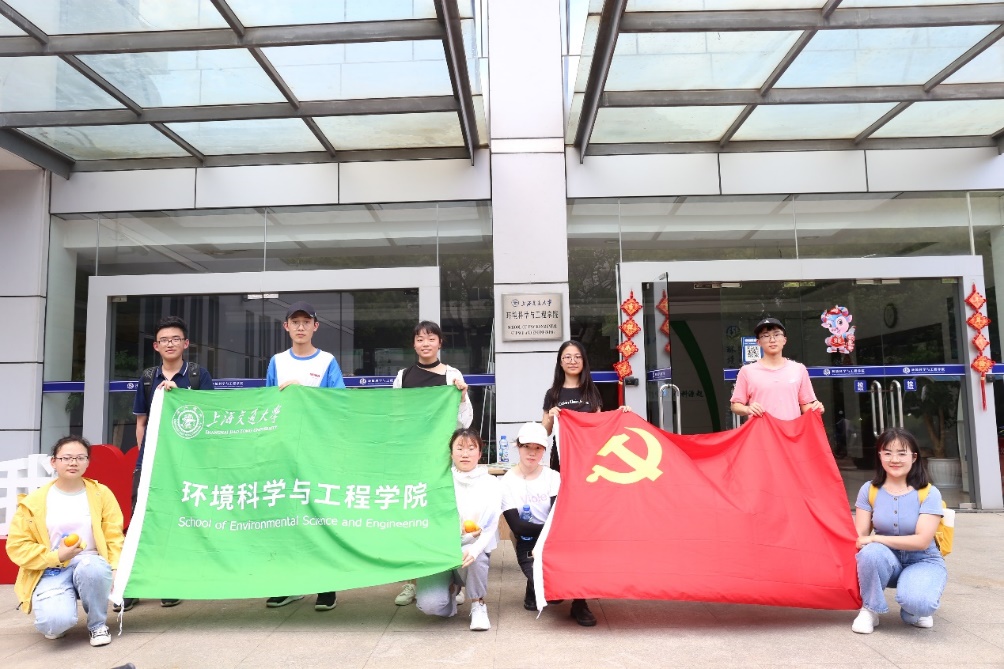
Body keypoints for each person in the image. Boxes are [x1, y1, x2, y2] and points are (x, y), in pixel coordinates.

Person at [123, 315, 214, 611]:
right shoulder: (148, 378)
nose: (170, 344)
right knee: (140, 519)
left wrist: (182, 398)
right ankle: (132, 585)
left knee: (176, 521)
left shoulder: (198, 376)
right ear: (156, 346)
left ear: (186, 344)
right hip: (150, 462)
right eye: (164, 340)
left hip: (186, 464)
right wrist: (146, 457)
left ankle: (168, 582)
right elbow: (141, 423)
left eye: (175, 339)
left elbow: (210, 418)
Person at [265, 300, 345, 611]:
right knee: (287, 518)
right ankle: (289, 585)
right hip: (285, 451)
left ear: (315, 326)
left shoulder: (327, 361)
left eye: (306, 322)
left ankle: (326, 586)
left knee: (320, 516)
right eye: (295, 322)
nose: (300, 327)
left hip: (318, 450)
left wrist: (303, 392)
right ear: (286, 327)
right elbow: (268, 404)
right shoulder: (277, 361)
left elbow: (339, 404)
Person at [6, 436, 124, 647]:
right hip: (52, 568)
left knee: (95, 568)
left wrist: (115, 567)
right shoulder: (34, 501)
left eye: (80, 458)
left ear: (88, 462)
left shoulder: (101, 493)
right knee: (54, 624)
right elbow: (17, 545)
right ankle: (57, 617)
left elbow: (113, 535)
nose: (73, 463)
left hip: (90, 563)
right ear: (54, 462)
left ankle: (97, 625)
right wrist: (56, 556)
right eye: (66, 458)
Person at [393, 320, 473, 607]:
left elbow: (465, 422)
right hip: (413, 461)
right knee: (411, 519)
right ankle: (412, 581)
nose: (425, 344)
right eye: (420, 339)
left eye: (431, 338)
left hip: (442, 462)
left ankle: (456, 580)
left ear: (440, 343)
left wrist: (462, 396)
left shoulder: (452, 375)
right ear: (413, 344)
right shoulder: (403, 377)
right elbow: (395, 416)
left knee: (446, 518)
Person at [851, 427, 947, 634]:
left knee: (919, 604)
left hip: (922, 559)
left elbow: (921, 541)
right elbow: (860, 537)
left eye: (902, 453)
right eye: (887, 453)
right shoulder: (869, 489)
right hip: (886, 560)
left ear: (914, 457)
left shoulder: (929, 493)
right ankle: (870, 609)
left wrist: (876, 539)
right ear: (880, 456)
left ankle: (913, 608)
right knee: (869, 553)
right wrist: (869, 541)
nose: (894, 459)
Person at [501, 422, 596, 627]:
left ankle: (580, 603)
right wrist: (546, 533)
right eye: (527, 447)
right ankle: (533, 586)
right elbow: (517, 526)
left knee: (577, 560)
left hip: (555, 537)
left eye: (538, 448)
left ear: (544, 450)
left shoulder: (553, 477)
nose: (532, 453)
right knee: (553, 594)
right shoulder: (507, 481)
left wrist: (553, 535)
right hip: (528, 541)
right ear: (518, 446)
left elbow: (557, 513)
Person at [415, 428, 500, 630]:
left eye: (471, 448)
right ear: (451, 453)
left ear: (480, 453)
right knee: (430, 605)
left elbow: (491, 525)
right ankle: (451, 590)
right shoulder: (440, 482)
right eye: (459, 448)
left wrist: (475, 549)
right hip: (441, 549)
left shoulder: (491, 483)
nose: (465, 454)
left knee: (476, 557)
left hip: (470, 547)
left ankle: (478, 603)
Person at [541, 340, 629, 470]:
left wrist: (620, 414)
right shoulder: (552, 393)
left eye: (578, 357)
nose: (573, 361)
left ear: (583, 361)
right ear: (560, 362)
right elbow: (544, 432)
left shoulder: (592, 391)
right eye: (567, 357)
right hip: (562, 454)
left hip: (589, 453)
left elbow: (600, 424)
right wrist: (550, 417)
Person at [730, 316, 824, 421]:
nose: (772, 340)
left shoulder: (799, 369)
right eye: (766, 336)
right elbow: (735, 405)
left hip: (791, 429)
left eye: (776, 334)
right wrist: (747, 409)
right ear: (758, 342)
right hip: (761, 429)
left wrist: (816, 408)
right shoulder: (747, 371)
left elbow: (805, 405)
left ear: (784, 340)